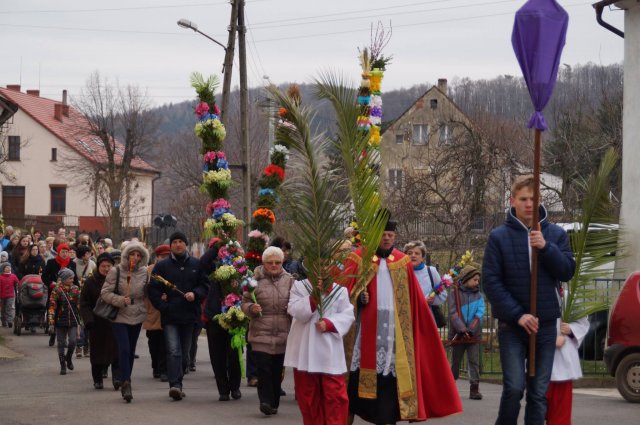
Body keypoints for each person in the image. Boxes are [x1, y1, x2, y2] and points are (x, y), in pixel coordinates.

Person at [341, 216, 462, 424]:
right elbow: (344, 292)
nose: (387, 239)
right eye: (383, 235)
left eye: (390, 235)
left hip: (393, 333)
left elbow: (415, 300)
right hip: (365, 331)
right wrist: (359, 298)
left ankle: (386, 419)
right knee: (354, 383)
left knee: (390, 380)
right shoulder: (358, 258)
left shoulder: (401, 261)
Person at [483, 175, 576, 425]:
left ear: (540, 201)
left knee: (538, 394)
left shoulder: (555, 234)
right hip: (513, 326)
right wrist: (518, 314)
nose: (528, 204)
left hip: (545, 325)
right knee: (514, 388)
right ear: (512, 201)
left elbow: (567, 270)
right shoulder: (499, 237)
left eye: (533, 199)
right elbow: (491, 282)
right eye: (523, 198)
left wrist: (546, 248)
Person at [284, 271, 355, 425]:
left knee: (335, 396)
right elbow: (296, 312)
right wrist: (314, 297)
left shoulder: (339, 290)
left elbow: (348, 315)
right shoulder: (300, 286)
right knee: (309, 398)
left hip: (330, 352)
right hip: (305, 352)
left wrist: (330, 324)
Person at [148, 231, 209, 401]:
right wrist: (163, 307)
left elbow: (205, 286)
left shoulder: (197, 264)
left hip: (190, 316)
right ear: (171, 245)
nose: (178, 244)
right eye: (174, 241)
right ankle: (175, 385)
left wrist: (195, 294)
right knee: (173, 350)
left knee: (184, 353)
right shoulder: (162, 266)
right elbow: (153, 289)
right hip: (170, 316)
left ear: (186, 244)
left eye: (181, 241)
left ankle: (179, 379)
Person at [241, 246, 294, 416]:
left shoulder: (290, 280)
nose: (273, 265)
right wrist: (251, 308)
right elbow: (244, 303)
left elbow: (298, 303)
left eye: (277, 262)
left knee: (276, 371)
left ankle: (274, 403)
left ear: (282, 262)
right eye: (270, 262)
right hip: (260, 333)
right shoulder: (253, 280)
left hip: (282, 333)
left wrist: (292, 308)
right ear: (263, 263)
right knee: (263, 370)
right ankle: (265, 401)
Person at [100, 241, 149, 403]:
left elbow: (148, 292)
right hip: (120, 314)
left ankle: (126, 377)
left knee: (131, 349)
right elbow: (105, 293)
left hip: (138, 314)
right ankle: (126, 382)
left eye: (138, 255)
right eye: (132, 254)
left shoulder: (144, 272)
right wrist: (120, 300)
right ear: (126, 256)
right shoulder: (117, 270)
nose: (135, 257)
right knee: (124, 348)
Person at [201, 239, 242, 401]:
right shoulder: (211, 267)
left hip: (234, 315)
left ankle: (235, 386)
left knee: (233, 354)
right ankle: (223, 389)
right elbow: (204, 261)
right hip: (214, 316)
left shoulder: (238, 267)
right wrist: (219, 243)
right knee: (217, 355)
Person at [79, 252, 120, 390]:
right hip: (96, 322)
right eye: (103, 266)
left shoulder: (118, 281)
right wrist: (88, 320)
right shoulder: (91, 282)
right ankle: (97, 379)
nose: (106, 269)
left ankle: (117, 378)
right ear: (98, 267)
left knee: (116, 351)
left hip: (114, 320)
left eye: (109, 266)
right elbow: (84, 303)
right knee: (97, 352)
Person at [448, 264, 485, 400]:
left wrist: (470, 330)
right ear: (466, 279)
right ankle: (450, 388)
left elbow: (480, 314)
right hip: (458, 335)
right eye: (474, 279)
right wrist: (462, 329)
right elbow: (453, 314)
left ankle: (474, 389)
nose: (477, 282)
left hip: (473, 336)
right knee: (455, 362)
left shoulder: (479, 296)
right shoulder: (454, 294)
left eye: (478, 280)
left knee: (473, 361)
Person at [546, 316, 589, 425]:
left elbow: (583, 323)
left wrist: (571, 330)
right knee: (536, 412)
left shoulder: (571, 298)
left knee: (561, 416)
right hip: (541, 357)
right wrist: (550, 339)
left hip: (563, 361)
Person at [143, 244, 170, 382]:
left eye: (167, 256)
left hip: (167, 311)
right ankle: (156, 367)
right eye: (162, 256)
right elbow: (143, 290)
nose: (164, 259)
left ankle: (164, 369)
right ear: (157, 257)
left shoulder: (172, 269)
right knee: (153, 342)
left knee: (166, 342)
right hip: (151, 310)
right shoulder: (148, 271)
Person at [48, 268, 81, 375]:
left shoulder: (76, 289)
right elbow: (52, 307)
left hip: (73, 320)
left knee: (72, 341)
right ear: (63, 279)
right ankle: (62, 364)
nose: (72, 280)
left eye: (72, 278)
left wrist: (82, 319)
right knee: (61, 343)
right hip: (60, 321)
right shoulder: (57, 290)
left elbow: (79, 305)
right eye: (70, 278)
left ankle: (69, 358)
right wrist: (51, 322)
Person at [404, 240, 447, 315]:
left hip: (426, 315)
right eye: (410, 253)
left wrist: (433, 300)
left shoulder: (431, 271)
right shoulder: (401, 273)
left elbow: (443, 293)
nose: (413, 255)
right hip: (407, 316)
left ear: (422, 257)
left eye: (417, 253)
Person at [0, 262, 19, 327]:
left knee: (9, 308)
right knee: (3, 309)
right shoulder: (0, 277)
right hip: (2, 295)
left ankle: (10, 321)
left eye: (9, 267)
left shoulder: (13, 276)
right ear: (3, 269)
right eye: (6, 267)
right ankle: (3, 321)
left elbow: (17, 283)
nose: (8, 268)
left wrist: (18, 286)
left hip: (10, 295)